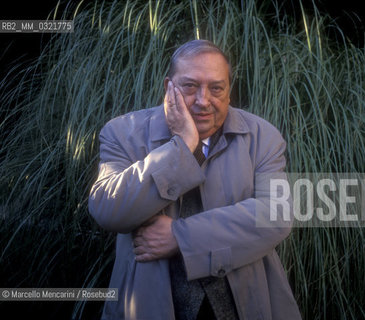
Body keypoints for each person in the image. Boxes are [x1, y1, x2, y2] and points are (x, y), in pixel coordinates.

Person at [88, 39, 301, 320]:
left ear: (228, 91)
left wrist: (181, 237)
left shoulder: (263, 137)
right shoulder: (122, 133)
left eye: (216, 88)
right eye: (190, 86)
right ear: (169, 88)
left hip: (245, 305)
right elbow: (109, 210)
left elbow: (277, 214)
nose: (203, 101)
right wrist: (183, 146)